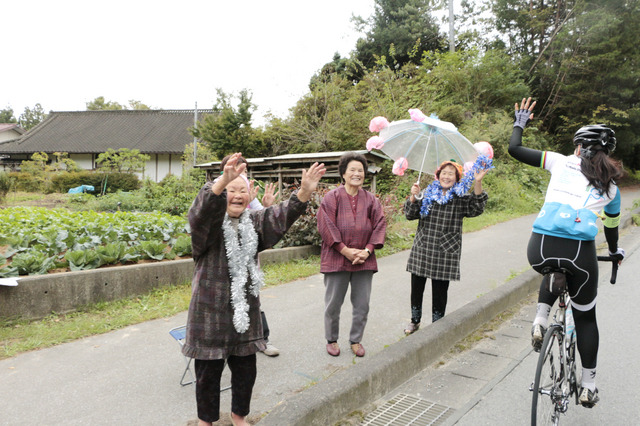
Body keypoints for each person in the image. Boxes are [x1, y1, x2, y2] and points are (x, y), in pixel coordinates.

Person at [183, 152, 325, 426]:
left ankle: (239, 416)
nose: (237, 195)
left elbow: (277, 217)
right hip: (209, 312)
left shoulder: (253, 223)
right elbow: (199, 214)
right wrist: (222, 181)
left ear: (249, 197)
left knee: (246, 369)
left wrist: (303, 193)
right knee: (207, 373)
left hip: (245, 311)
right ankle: (206, 420)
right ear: (223, 193)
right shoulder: (208, 228)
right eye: (231, 190)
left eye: (242, 190)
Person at [508, 97, 625, 408]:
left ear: (577, 146)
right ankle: (588, 385)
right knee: (586, 319)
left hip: (539, 247)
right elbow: (611, 228)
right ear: (606, 152)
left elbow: (515, 150)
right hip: (580, 255)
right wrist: (614, 252)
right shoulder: (611, 187)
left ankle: (540, 319)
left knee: (552, 268)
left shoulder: (559, 161)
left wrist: (520, 123)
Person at [403, 159, 489, 334]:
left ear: (457, 178)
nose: (447, 176)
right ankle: (415, 320)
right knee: (416, 288)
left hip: (446, 250)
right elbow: (410, 214)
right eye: (444, 173)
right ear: (438, 175)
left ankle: (437, 324)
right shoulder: (427, 192)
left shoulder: (460, 196)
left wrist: (478, 182)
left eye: (451, 173)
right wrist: (413, 196)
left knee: (440, 291)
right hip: (423, 247)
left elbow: (477, 207)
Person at [317, 152, 386, 358]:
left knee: (362, 304)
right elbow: (326, 225)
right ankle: (332, 339)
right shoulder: (332, 197)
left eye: (360, 170)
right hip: (337, 259)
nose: (357, 174)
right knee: (333, 303)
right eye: (352, 170)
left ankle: (356, 340)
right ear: (343, 174)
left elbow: (380, 224)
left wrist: (367, 251)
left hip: (364, 260)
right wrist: (345, 250)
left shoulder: (371, 199)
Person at [218, 154, 280, 357]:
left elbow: (264, 224)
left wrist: (266, 205)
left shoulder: (247, 191)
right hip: (223, 261)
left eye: (243, 169)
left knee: (252, 299)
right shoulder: (216, 192)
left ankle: (261, 340)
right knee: (224, 302)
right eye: (235, 168)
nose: (239, 173)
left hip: (248, 259)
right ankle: (224, 344)